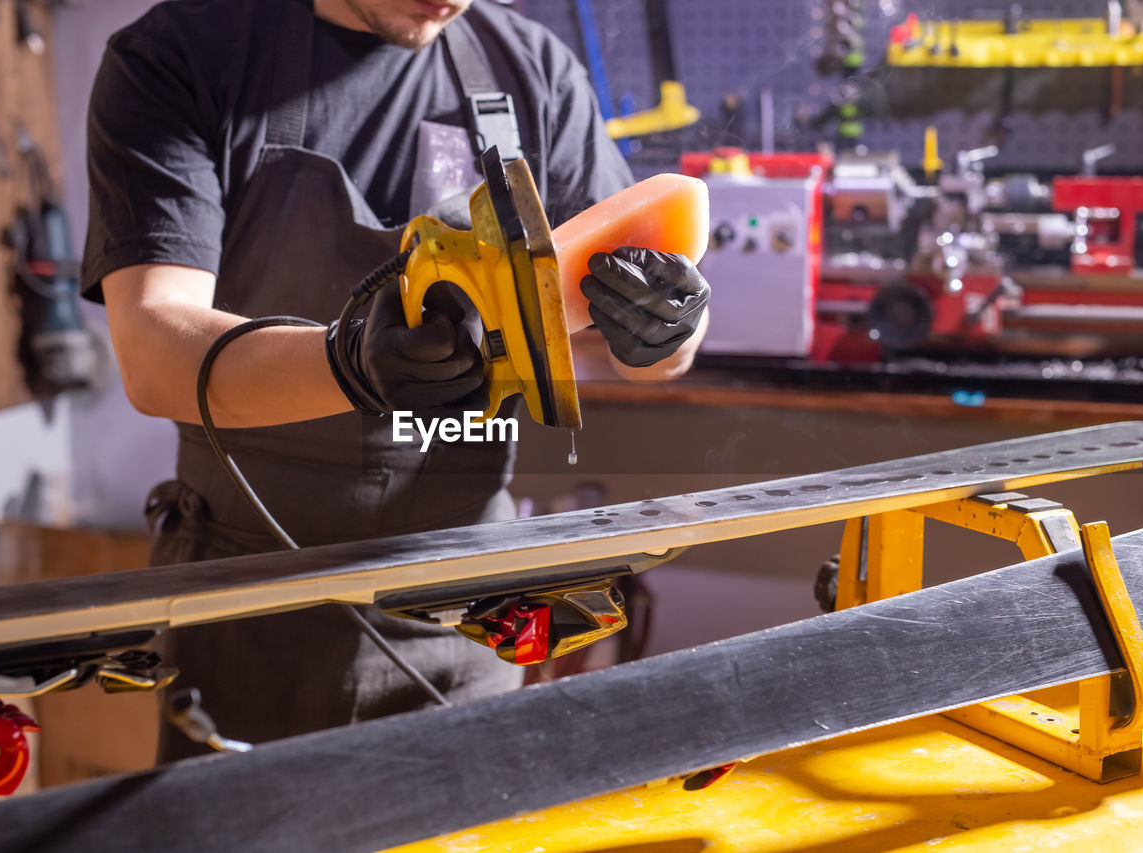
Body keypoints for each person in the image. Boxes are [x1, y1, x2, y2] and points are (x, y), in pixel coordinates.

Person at [82, 0, 710, 761]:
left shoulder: (531, 73)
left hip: (467, 605)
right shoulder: (181, 56)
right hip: (248, 602)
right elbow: (155, 347)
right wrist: (344, 363)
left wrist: (666, 332)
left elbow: (626, 339)